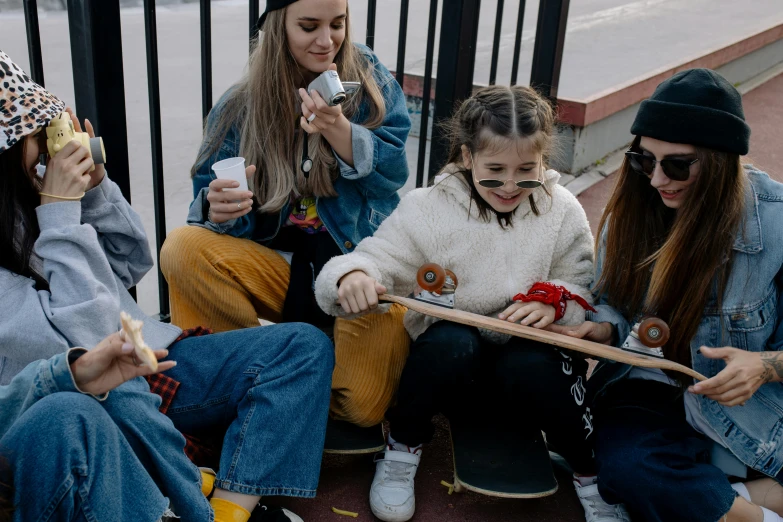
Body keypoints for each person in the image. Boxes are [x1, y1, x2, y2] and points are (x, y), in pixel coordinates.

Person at [0, 49, 333, 522]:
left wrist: (94, 192)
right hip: (98, 393)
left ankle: (230, 508)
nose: (47, 142)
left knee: (303, 346)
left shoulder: (25, 203)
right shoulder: (42, 215)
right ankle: (184, 494)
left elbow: (131, 263)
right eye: (35, 133)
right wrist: (58, 216)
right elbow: (88, 343)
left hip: (147, 365)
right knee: (102, 405)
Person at [315, 85, 629, 522]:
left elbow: (580, 283)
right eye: (494, 169)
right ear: (466, 156)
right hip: (454, 373)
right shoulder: (427, 208)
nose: (509, 185)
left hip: (530, 370)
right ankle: (403, 448)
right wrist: (351, 276)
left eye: (526, 169)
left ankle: (588, 473)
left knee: (534, 363)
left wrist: (555, 303)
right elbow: (373, 257)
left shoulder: (562, 209)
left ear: (544, 160)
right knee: (448, 343)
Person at [159, 0, 412, 428]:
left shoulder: (368, 78)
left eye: (337, 24)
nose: (326, 40)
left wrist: (337, 128)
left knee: (362, 409)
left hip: (361, 271)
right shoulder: (241, 104)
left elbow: (391, 175)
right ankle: (248, 377)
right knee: (183, 248)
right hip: (283, 272)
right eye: (309, 26)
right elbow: (205, 199)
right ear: (278, 27)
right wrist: (216, 209)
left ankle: (276, 391)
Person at [549, 69, 783, 522]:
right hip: (651, 389)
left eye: (676, 165)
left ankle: (715, 494)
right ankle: (752, 509)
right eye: (643, 160)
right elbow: (616, 302)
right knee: (628, 470)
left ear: (719, 160)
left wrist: (763, 366)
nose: (656, 180)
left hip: (749, 403)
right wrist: (602, 326)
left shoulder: (775, 224)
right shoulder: (634, 212)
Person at [0, 333, 182, 522]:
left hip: (155, 345)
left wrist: (73, 372)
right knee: (78, 412)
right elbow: (61, 334)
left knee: (102, 391)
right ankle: (196, 491)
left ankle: (203, 494)